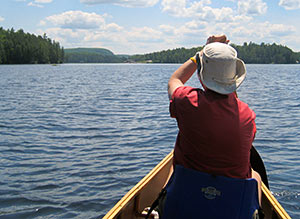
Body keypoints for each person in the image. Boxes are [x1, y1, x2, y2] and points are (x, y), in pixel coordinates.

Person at [167, 35, 262, 206]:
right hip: (230, 207)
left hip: (186, 202)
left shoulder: (187, 101)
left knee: (174, 164)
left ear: (201, 74)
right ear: (234, 78)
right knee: (256, 176)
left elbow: (175, 80)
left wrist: (201, 54)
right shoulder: (248, 115)